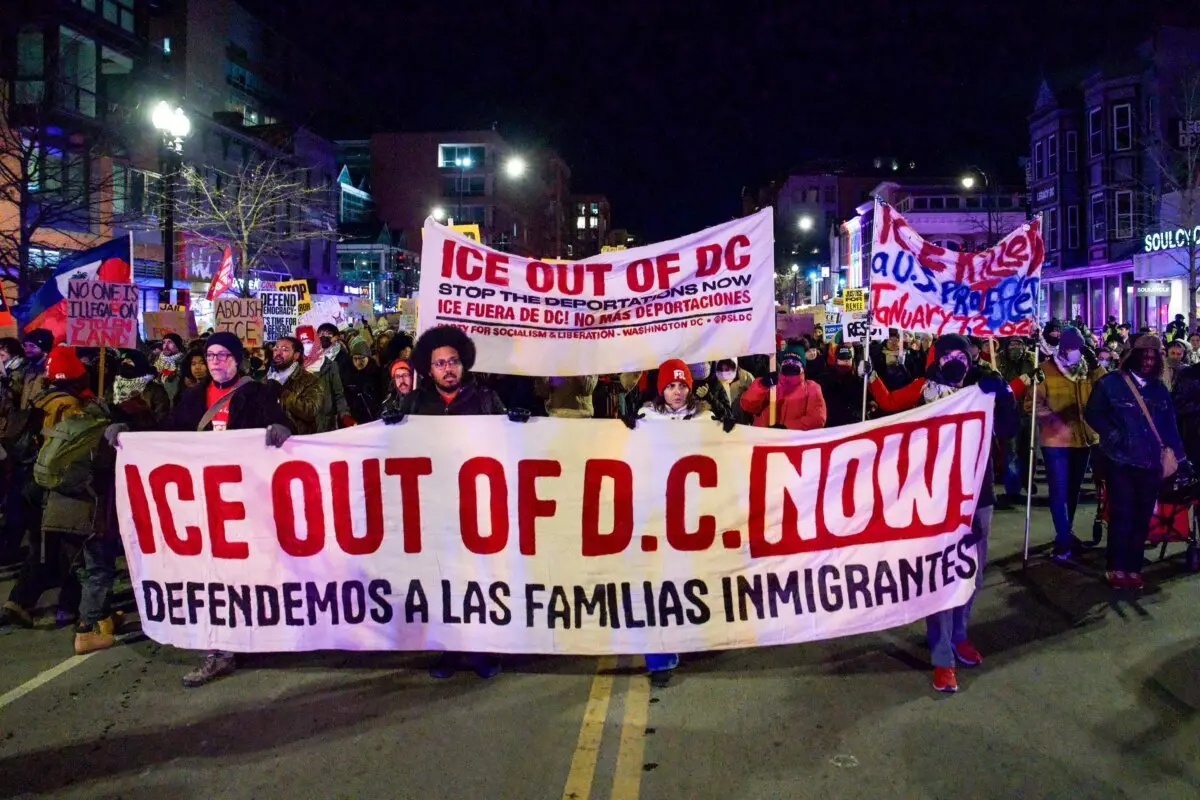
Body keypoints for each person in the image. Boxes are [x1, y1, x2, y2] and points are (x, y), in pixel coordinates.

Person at [383, 325, 519, 679]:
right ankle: (449, 649)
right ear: (429, 370)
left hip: (477, 507)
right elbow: (395, 449)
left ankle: (483, 649)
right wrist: (389, 427)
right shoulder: (414, 403)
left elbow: (510, 444)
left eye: (453, 361)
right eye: (440, 363)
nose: (448, 369)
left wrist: (519, 424)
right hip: (434, 507)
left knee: (479, 579)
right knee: (441, 579)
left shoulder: (486, 399)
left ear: (464, 364)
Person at [163, 332, 292, 686]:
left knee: (250, 572)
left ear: (238, 360)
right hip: (205, 502)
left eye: (223, 355)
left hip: (249, 500)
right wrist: (127, 434)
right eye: (211, 356)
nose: (216, 362)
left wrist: (281, 430)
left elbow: (284, 428)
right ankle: (219, 650)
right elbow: (166, 433)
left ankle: (253, 635)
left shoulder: (257, 394)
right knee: (213, 574)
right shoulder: (192, 398)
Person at [0, 345, 95, 629]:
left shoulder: (41, 399)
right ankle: (68, 607)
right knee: (72, 549)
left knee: (42, 547)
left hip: (30, 480)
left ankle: (18, 600)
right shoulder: (69, 405)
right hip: (56, 485)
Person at [1085, 334, 1189, 590]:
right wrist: (1114, 437)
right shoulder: (1110, 383)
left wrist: (1180, 460)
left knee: (1142, 517)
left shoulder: (1159, 389)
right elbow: (1093, 414)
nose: (1148, 361)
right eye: (1144, 356)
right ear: (1133, 356)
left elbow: (1169, 426)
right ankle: (1116, 567)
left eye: (1153, 357)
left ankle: (1133, 568)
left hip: (1150, 462)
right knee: (1122, 514)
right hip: (1120, 461)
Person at [1034, 327, 1106, 561]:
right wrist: (1055, 421)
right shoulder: (1045, 370)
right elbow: (1032, 404)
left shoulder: (1087, 370)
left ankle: (1067, 531)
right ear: (1062, 348)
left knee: (1073, 490)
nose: (1074, 352)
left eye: (1078, 348)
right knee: (1059, 490)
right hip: (1056, 441)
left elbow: (1107, 389)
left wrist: (1096, 365)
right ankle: (1063, 540)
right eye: (1070, 348)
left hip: (1084, 439)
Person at [740, 343, 826, 430]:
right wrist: (761, 386)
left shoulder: (812, 388)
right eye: (786, 362)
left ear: (803, 367)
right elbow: (747, 406)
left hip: (791, 438)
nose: (790, 364)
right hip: (763, 436)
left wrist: (786, 428)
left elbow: (817, 419)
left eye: (795, 362)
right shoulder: (770, 384)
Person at [296, 325, 352, 432]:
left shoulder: (330, 366)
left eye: (309, 342)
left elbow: (339, 395)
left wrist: (345, 415)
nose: (306, 346)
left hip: (326, 426)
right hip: (301, 428)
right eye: (302, 343)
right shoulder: (294, 368)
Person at [267, 336, 325, 435]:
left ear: (296, 355)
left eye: (285, 349)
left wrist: (283, 393)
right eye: (276, 349)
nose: (278, 353)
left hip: (296, 439)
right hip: (268, 438)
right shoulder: (267, 379)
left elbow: (311, 411)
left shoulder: (309, 380)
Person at [635, 359, 710, 421]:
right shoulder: (646, 416)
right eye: (671, 386)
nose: (677, 392)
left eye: (683, 386)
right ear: (662, 391)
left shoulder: (705, 418)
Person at [113, 350, 171, 425]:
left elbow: (161, 419)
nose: (125, 367)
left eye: (129, 363)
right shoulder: (115, 388)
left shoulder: (155, 390)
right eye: (123, 363)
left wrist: (141, 411)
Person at [818, 344, 864, 427]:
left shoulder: (859, 376)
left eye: (848, 358)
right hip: (834, 423)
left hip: (854, 422)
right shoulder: (827, 376)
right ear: (836, 360)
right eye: (842, 358)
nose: (846, 361)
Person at [343, 337, 383, 423]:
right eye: (355, 358)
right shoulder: (348, 373)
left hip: (375, 417)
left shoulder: (377, 373)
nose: (358, 362)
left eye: (361, 358)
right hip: (356, 419)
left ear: (368, 357)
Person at [535, 375, 599, 418]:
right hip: (556, 414)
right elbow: (543, 393)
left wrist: (576, 368)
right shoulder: (550, 361)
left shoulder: (588, 361)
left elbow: (588, 389)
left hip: (582, 415)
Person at [155, 332, 187, 405]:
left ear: (178, 345)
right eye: (164, 342)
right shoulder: (157, 362)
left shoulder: (184, 361)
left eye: (170, 342)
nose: (166, 345)